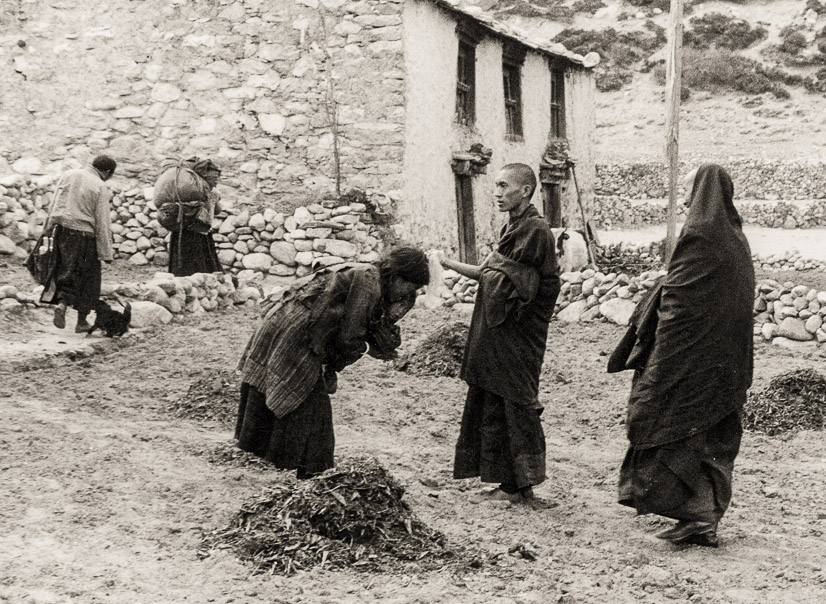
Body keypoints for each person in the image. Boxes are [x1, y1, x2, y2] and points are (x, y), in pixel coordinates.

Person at [614, 164, 754, 547]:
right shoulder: (736, 239)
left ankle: (697, 517)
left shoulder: (698, 236)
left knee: (668, 424)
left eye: (690, 189)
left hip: (689, 359)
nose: (687, 197)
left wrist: (660, 356)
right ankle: (703, 519)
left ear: (702, 192)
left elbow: (679, 303)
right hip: (726, 364)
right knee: (709, 436)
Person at [234, 247, 430, 477]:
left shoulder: (369, 276)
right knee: (312, 406)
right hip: (297, 331)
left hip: (290, 324)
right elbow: (350, 336)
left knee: (312, 404)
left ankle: (309, 471)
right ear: (398, 277)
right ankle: (316, 476)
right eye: (412, 286)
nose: (409, 294)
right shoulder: (369, 279)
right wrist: (364, 350)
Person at [439, 163, 561, 503]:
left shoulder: (536, 231)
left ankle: (517, 487)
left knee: (516, 404)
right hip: (501, 336)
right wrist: (450, 265)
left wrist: (487, 272)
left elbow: (520, 284)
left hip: (518, 336)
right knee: (497, 403)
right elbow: (495, 273)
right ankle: (511, 486)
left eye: (503, 186)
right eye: (495, 186)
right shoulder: (516, 227)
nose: (496, 193)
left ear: (524, 191)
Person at [40, 155, 117, 333]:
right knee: (90, 279)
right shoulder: (100, 185)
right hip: (85, 237)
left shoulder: (68, 175)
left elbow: (54, 204)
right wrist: (106, 253)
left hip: (61, 233)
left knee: (65, 271)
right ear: (107, 172)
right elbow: (102, 220)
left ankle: (62, 304)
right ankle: (81, 322)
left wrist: (47, 228)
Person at [158, 157, 223, 277]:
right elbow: (219, 210)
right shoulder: (208, 192)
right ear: (208, 177)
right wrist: (215, 199)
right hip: (199, 233)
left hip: (181, 231)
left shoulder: (197, 190)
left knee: (182, 260)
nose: (216, 182)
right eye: (215, 179)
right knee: (201, 262)